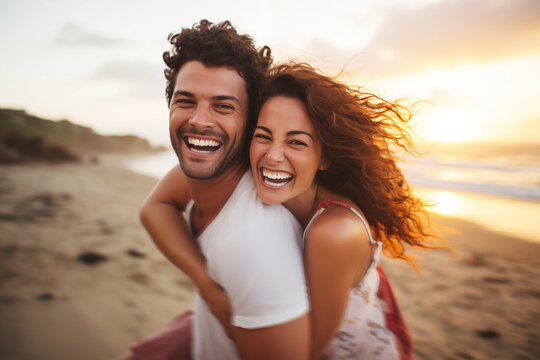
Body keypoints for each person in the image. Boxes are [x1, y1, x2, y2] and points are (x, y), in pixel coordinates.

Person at [134, 61, 440, 359]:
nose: (274, 156)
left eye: (297, 142)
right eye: (263, 136)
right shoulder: (243, 165)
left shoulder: (333, 232)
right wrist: (208, 288)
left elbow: (307, 351)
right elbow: (155, 208)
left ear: (324, 158)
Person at [128, 20, 311, 360]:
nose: (199, 120)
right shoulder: (209, 172)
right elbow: (156, 207)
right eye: (185, 101)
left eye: (223, 106)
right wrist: (209, 287)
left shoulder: (256, 245)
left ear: (250, 119)